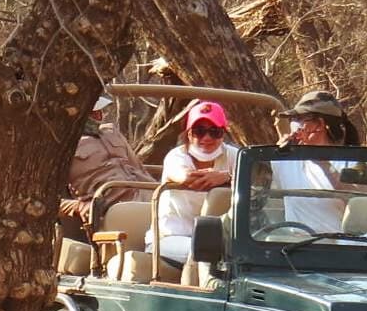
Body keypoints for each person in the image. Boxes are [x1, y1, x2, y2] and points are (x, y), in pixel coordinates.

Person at [149, 100, 236, 267]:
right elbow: (186, 177)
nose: (207, 138)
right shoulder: (176, 156)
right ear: (189, 134)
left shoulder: (233, 155)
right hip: (171, 237)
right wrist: (213, 177)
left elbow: (257, 180)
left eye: (214, 132)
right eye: (199, 131)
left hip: (219, 239)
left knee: (230, 253)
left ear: (223, 134)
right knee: (206, 253)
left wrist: (228, 177)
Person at [271, 90, 360, 233]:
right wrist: (275, 152)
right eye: (293, 121)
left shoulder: (351, 162)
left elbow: (358, 204)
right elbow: (258, 192)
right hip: (292, 247)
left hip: (339, 248)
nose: (294, 126)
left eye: (299, 120)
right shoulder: (284, 160)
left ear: (319, 125)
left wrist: (325, 166)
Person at [60, 94, 151, 231]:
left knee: (183, 203)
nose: (98, 116)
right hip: (113, 207)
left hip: (150, 195)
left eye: (99, 111)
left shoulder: (111, 132)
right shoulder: (63, 147)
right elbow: (44, 201)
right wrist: (78, 207)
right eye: (92, 113)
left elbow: (139, 169)